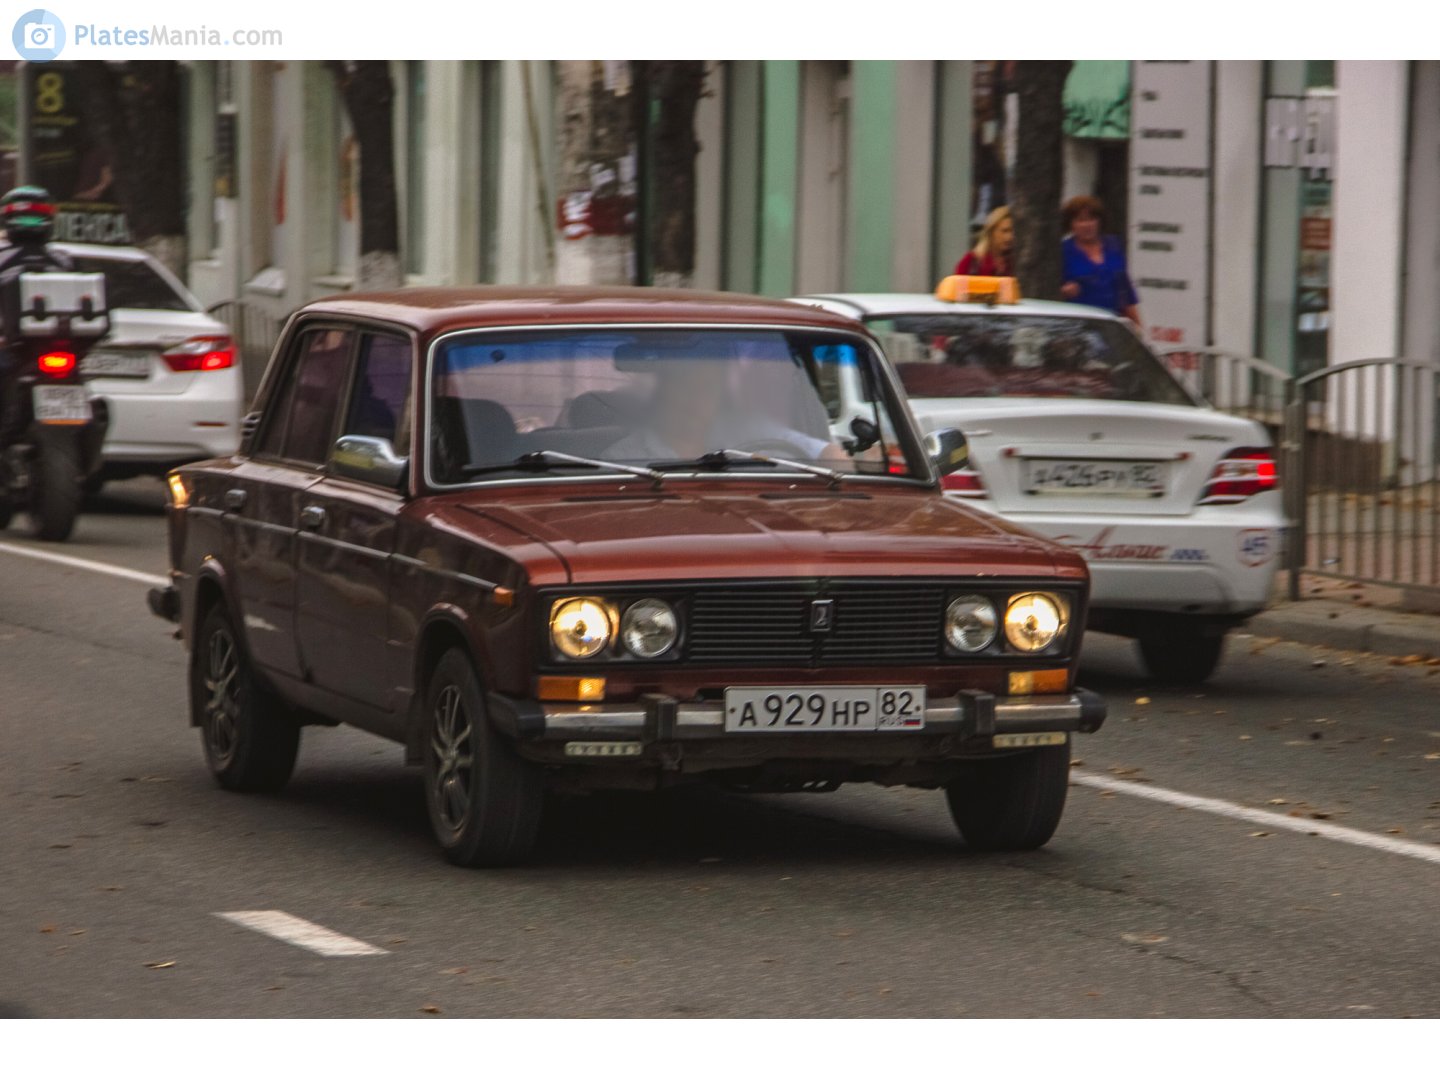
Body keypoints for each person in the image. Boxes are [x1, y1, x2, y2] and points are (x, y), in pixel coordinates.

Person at [1059, 195, 1139, 326]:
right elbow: (1050, 291)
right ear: (1071, 224)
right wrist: (1063, 292)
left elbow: (1125, 291)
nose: (1087, 225)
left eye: (1092, 219)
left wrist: (1137, 327)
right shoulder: (1063, 251)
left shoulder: (1113, 245)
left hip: (1112, 322)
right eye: (1081, 220)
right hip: (1078, 324)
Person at [954, 205, 1014, 277]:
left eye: (1013, 232)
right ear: (991, 232)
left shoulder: (1017, 262)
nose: (1010, 237)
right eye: (1004, 231)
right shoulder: (972, 262)